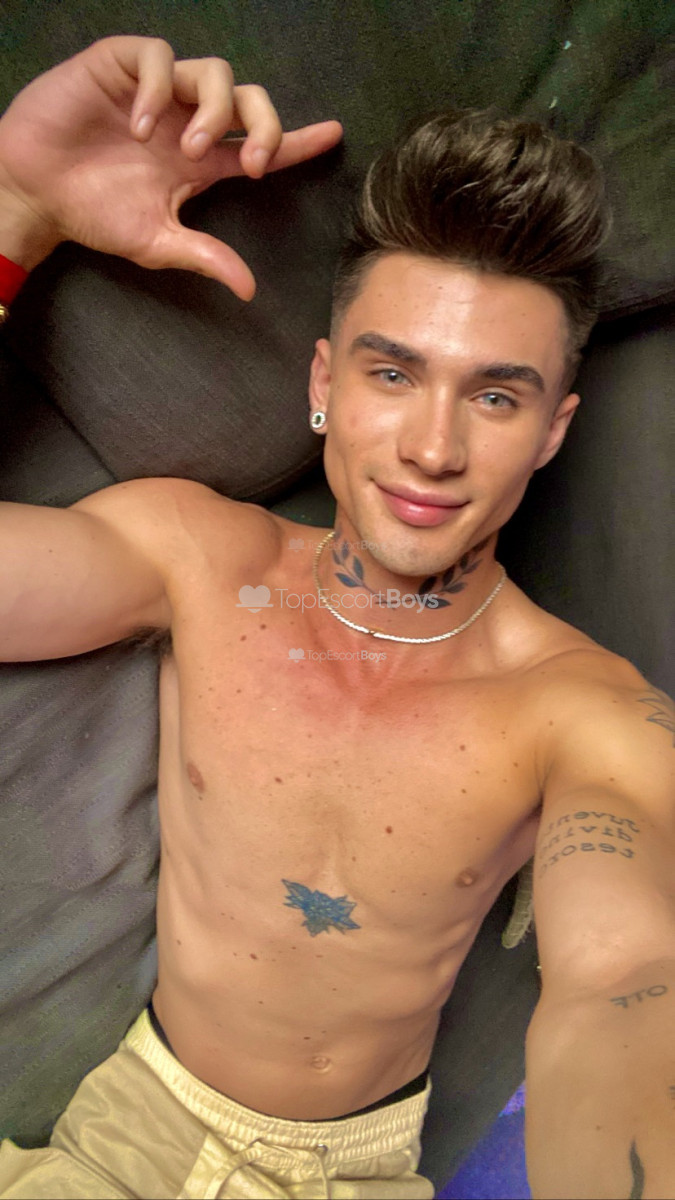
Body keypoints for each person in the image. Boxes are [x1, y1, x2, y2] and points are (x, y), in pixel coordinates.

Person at [0, 34, 672, 1200]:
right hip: (117, 1139)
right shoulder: (199, 556)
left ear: (553, 431)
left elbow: (625, 981)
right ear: (324, 384)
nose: (433, 447)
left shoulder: (588, 711)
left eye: (495, 395)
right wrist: (16, 205)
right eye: (392, 373)